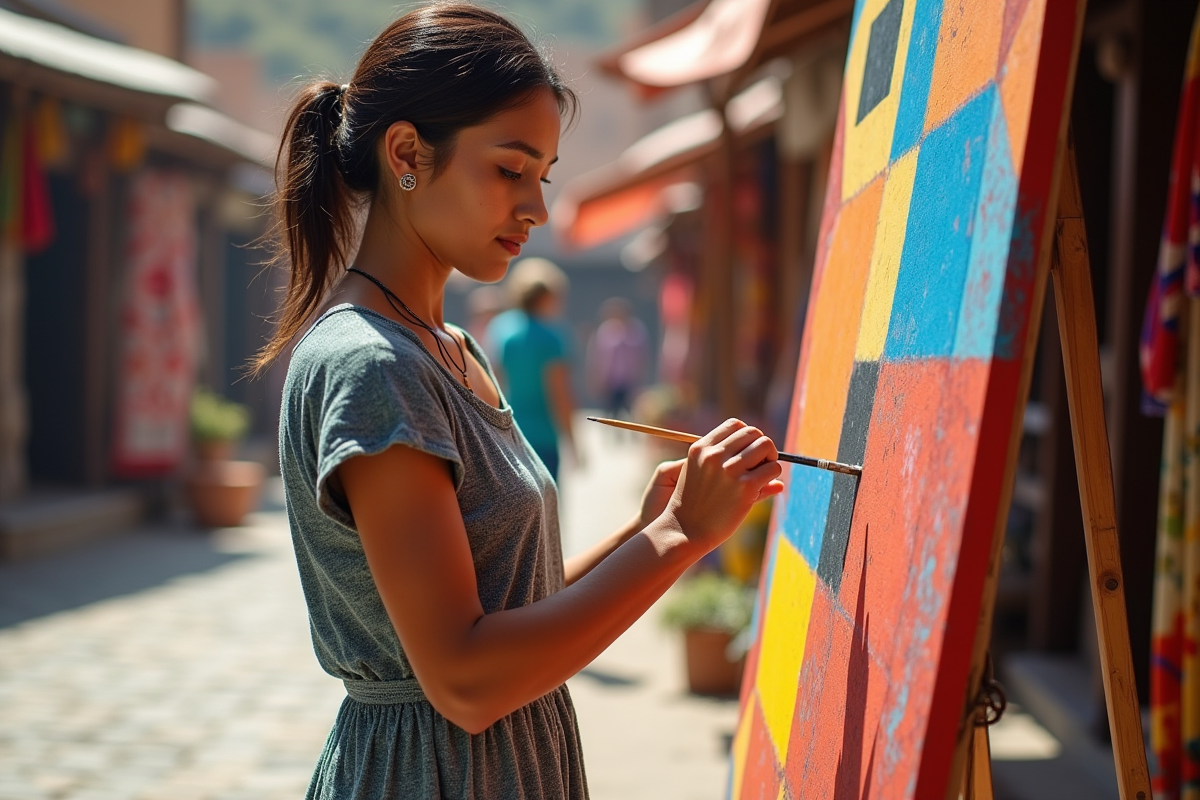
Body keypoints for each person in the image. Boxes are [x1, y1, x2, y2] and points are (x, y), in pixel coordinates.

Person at [254, 6, 784, 799]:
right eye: (510, 169)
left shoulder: (450, 349)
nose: (537, 208)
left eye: (544, 174)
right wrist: (678, 536)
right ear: (406, 153)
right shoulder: (371, 365)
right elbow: (464, 679)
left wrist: (644, 532)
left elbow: (505, 604)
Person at [487, 257, 576, 480]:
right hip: (544, 436)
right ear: (546, 297)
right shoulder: (551, 337)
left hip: (510, 433)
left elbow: (492, 384)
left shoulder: (500, 329)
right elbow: (559, 393)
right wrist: (572, 441)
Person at [586, 297, 648, 421]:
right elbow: (597, 356)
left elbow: (641, 356)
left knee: (630, 411)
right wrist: (596, 378)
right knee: (609, 411)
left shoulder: (635, 330)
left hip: (628, 380)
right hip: (610, 380)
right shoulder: (605, 330)